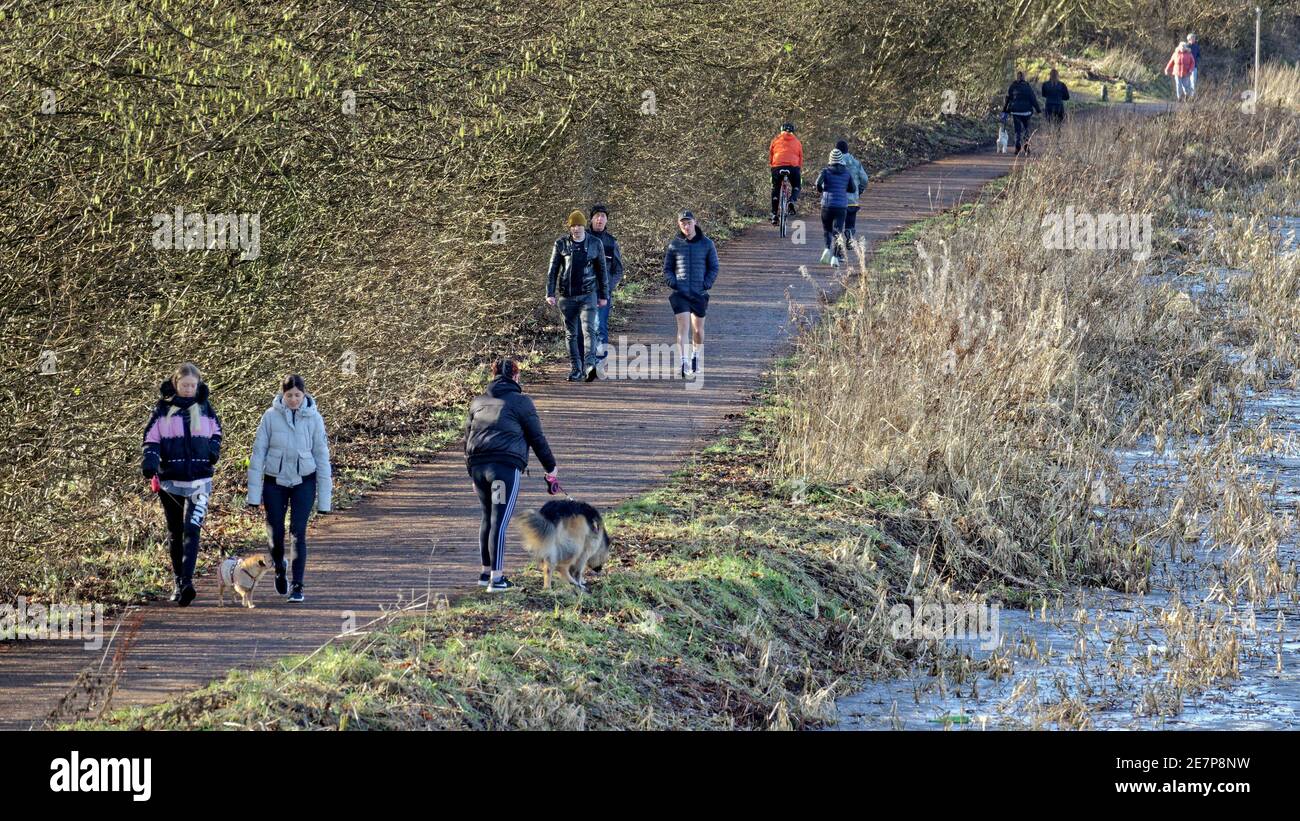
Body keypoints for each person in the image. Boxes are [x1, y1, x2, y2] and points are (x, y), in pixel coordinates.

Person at [464, 358, 558, 592]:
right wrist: (551, 468)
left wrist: (470, 474)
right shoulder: (521, 402)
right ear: (516, 377)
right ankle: (497, 580)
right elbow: (537, 438)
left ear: (493, 376)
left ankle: (485, 574)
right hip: (503, 468)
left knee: (488, 518)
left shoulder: (477, 402)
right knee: (500, 520)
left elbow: (466, 440)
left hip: (478, 468)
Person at [141, 362, 224, 607]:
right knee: (175, 532)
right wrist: (150, 461)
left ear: (198, 386)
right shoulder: (162, 411)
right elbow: (151, 440)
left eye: (192, 385)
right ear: (176, 384)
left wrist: (213, 450)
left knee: (193, 529)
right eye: (184, 385)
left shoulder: (206, 408)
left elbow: (217, 432)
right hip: (170, 482)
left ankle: (187, 582)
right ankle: (178, 581)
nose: (188, 389)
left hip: (200, 480)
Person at [245, 374, 332, 603]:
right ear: (282, 395)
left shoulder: (314, 418)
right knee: (275, 532)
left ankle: (298, 586)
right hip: (275, 481)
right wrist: (253, 496)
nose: (293, 400)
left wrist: (325, 501)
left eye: (297, 395)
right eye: (289, 395)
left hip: (304, 480)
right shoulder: (270, 417)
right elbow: (257, 455)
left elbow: (322, 457)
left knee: (298, 533)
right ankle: (279, 567)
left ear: (304, 395)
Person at [546, 210, 609, 382]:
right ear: (570, 228)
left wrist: (604, 294)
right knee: (571, 334)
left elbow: (602, 271)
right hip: (567, 297)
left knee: (589, 330)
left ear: (584, 226)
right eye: (573, 226)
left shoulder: (595, 243)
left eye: (579, 225)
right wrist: (549, 293)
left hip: (588, 295)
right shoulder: (561, 244)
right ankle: (576, 369)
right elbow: (553, 271)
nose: (576, 229)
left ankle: (589, 366)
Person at [662, 210, 719, 377]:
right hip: (680, 293)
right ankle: (683, 362)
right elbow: (667, 269)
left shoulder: (707, 244)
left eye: (688, 223)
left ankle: (695, 356)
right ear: (679, 225)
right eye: (683, 224)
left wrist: (706, 284)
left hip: (699, 293)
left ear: (695, 222)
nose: (686, 226)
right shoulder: (674, 244)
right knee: (683, 328)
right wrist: (673, 283)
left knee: (698, 330)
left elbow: (714, 267)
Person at [588, 203, 624, 360]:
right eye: (597, 216)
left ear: (606, 220)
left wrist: (608, 286)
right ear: (591, 219)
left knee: (599, 325)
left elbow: (618, 270)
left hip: (602, 293)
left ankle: (600, 360)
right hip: (584, 291)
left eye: (603, 217)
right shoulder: (583, 239)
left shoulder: (611, 243)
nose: (600, 219)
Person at [814, 148, 857, 267]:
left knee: (827, 230)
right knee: (838, 231)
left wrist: (821, 190)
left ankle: (827, 248)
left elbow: (817, 184)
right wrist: (843, 189)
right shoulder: (847, 173)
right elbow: (852, 189)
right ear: (841, 160)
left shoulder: (825, 171)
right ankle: (835, 258)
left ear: (830, 159)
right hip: (841, 207)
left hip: (827, 205)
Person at [835, 139, 870, 253]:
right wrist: (859, 191)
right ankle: (849, 235)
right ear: (847, 150)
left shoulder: (834, 164)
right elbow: (864, 179)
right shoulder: (856, 163)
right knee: (850, 223)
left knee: (838, 226)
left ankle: (838, 249)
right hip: (852, 200)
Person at [769, 122, 803, 224]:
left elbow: (771, 155)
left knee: (775, 187)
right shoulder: (797, 142)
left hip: (777, 167)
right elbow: (800, 158)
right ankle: (791, 200)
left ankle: (774, 214)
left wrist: (773, 167)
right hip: (793, 168)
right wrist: (798, 168)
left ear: (781, 130)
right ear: (793, 132)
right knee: (797, 184)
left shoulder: (775, 140)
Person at [1002, 71, 1041, 155]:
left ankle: (1017, 146)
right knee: (1027, 128)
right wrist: (1038, 110)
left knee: (1017, 130)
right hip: (1026, 111)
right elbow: (1033, 99)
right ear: (1024, 77)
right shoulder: (1027, 87)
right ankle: (1026, 145)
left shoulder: (1013, 86)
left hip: (1015, 111)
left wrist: (1005, 110)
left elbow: (1008, 98)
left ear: (1017, 77)